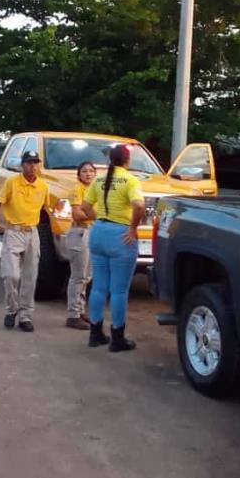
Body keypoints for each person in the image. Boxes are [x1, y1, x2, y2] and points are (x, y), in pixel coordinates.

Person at [81, 145, 145, 352]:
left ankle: (95, 333)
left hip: (99, 232)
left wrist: (99, 220)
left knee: (99, 287)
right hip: (120, 235)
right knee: (119, 290)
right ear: (127, 160)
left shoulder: (98, 180)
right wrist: (133, 228)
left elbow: (84, 207)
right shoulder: (130, 180)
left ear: (110, 160)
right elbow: (139, 206)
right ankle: (118, 337)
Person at [0, 150, 50, 333]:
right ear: (22, 165)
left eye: (36, 163)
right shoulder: (12, 182)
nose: (33, 166)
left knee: (30, 277)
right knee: (11, 275)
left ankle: (25, 316)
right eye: (29, 162)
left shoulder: (43, 186)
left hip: (32, 233)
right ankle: (12, 309)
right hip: (13, 231)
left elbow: (48, 208)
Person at [65, 161, 97, 331]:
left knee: (87, 276)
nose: (88, 174)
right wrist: (97, 215)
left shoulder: (94, 190)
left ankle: (80, 309)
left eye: (91, 171)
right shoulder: (77, 189)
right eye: (84, 171)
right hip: (80, 233)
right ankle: (73, 314)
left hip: (92, 232)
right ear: (79, 174)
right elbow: (77, 213)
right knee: (78, 276)